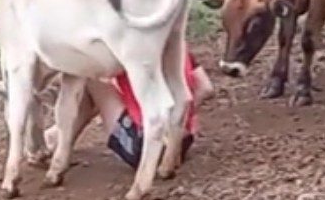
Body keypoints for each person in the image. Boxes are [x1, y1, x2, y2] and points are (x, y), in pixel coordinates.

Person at [43, 52, 215, 168]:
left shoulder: (124, 44)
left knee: (90, 77)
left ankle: (60, 141)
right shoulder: (178, 44)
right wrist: (180, 122)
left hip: (141, 145)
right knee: (99, 86)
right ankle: (58, 136)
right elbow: (205, 88)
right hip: (180, 143)